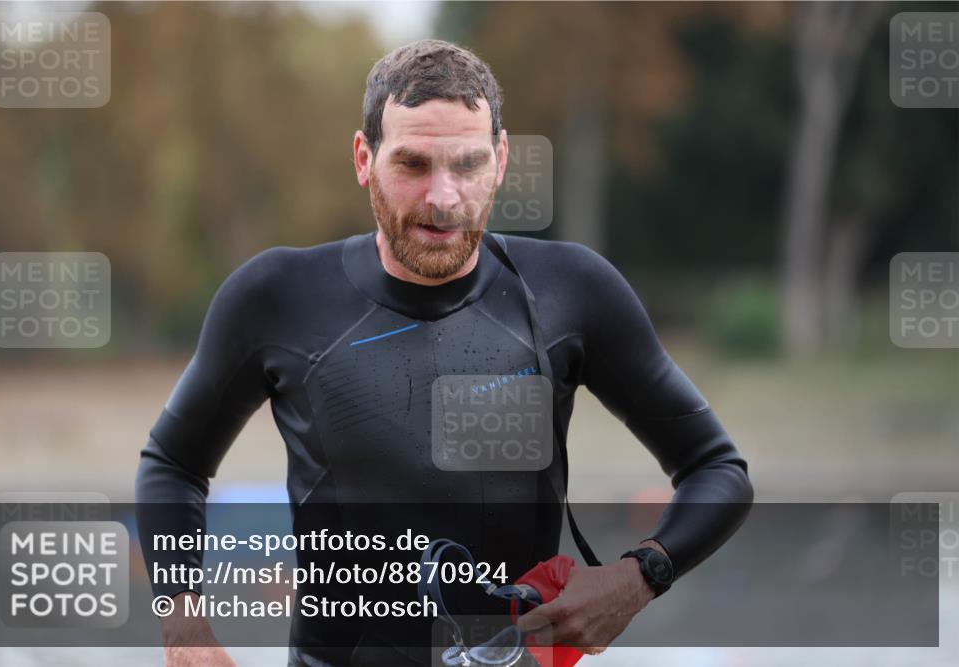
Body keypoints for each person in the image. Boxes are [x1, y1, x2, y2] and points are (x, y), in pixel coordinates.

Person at [136, 38, 753, 667]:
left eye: (468, 164)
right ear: (364, 159)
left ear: (501, 161)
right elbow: (174, 463)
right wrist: (185, 632)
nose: (443, 197)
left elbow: (717, 469)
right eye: (412, 165)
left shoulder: (572, 290)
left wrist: (637, 577)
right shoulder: (278, 296)